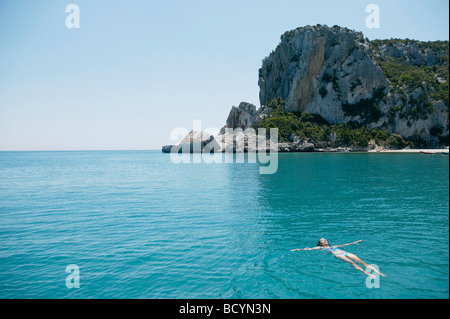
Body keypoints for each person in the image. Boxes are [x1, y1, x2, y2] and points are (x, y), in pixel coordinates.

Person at [291, 238, 386, 277]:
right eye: (322, 240)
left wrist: (356, 242)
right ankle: (366, 273)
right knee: (353, 263)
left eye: (324, 239)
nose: (324, 240)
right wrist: (297, 249)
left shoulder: (334, 246)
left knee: (361, 261)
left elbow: (345, 244)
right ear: (320, 243)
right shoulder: (320, 247)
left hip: (344, 252)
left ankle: (378, 272)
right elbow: (309, 249)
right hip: (338, 255)